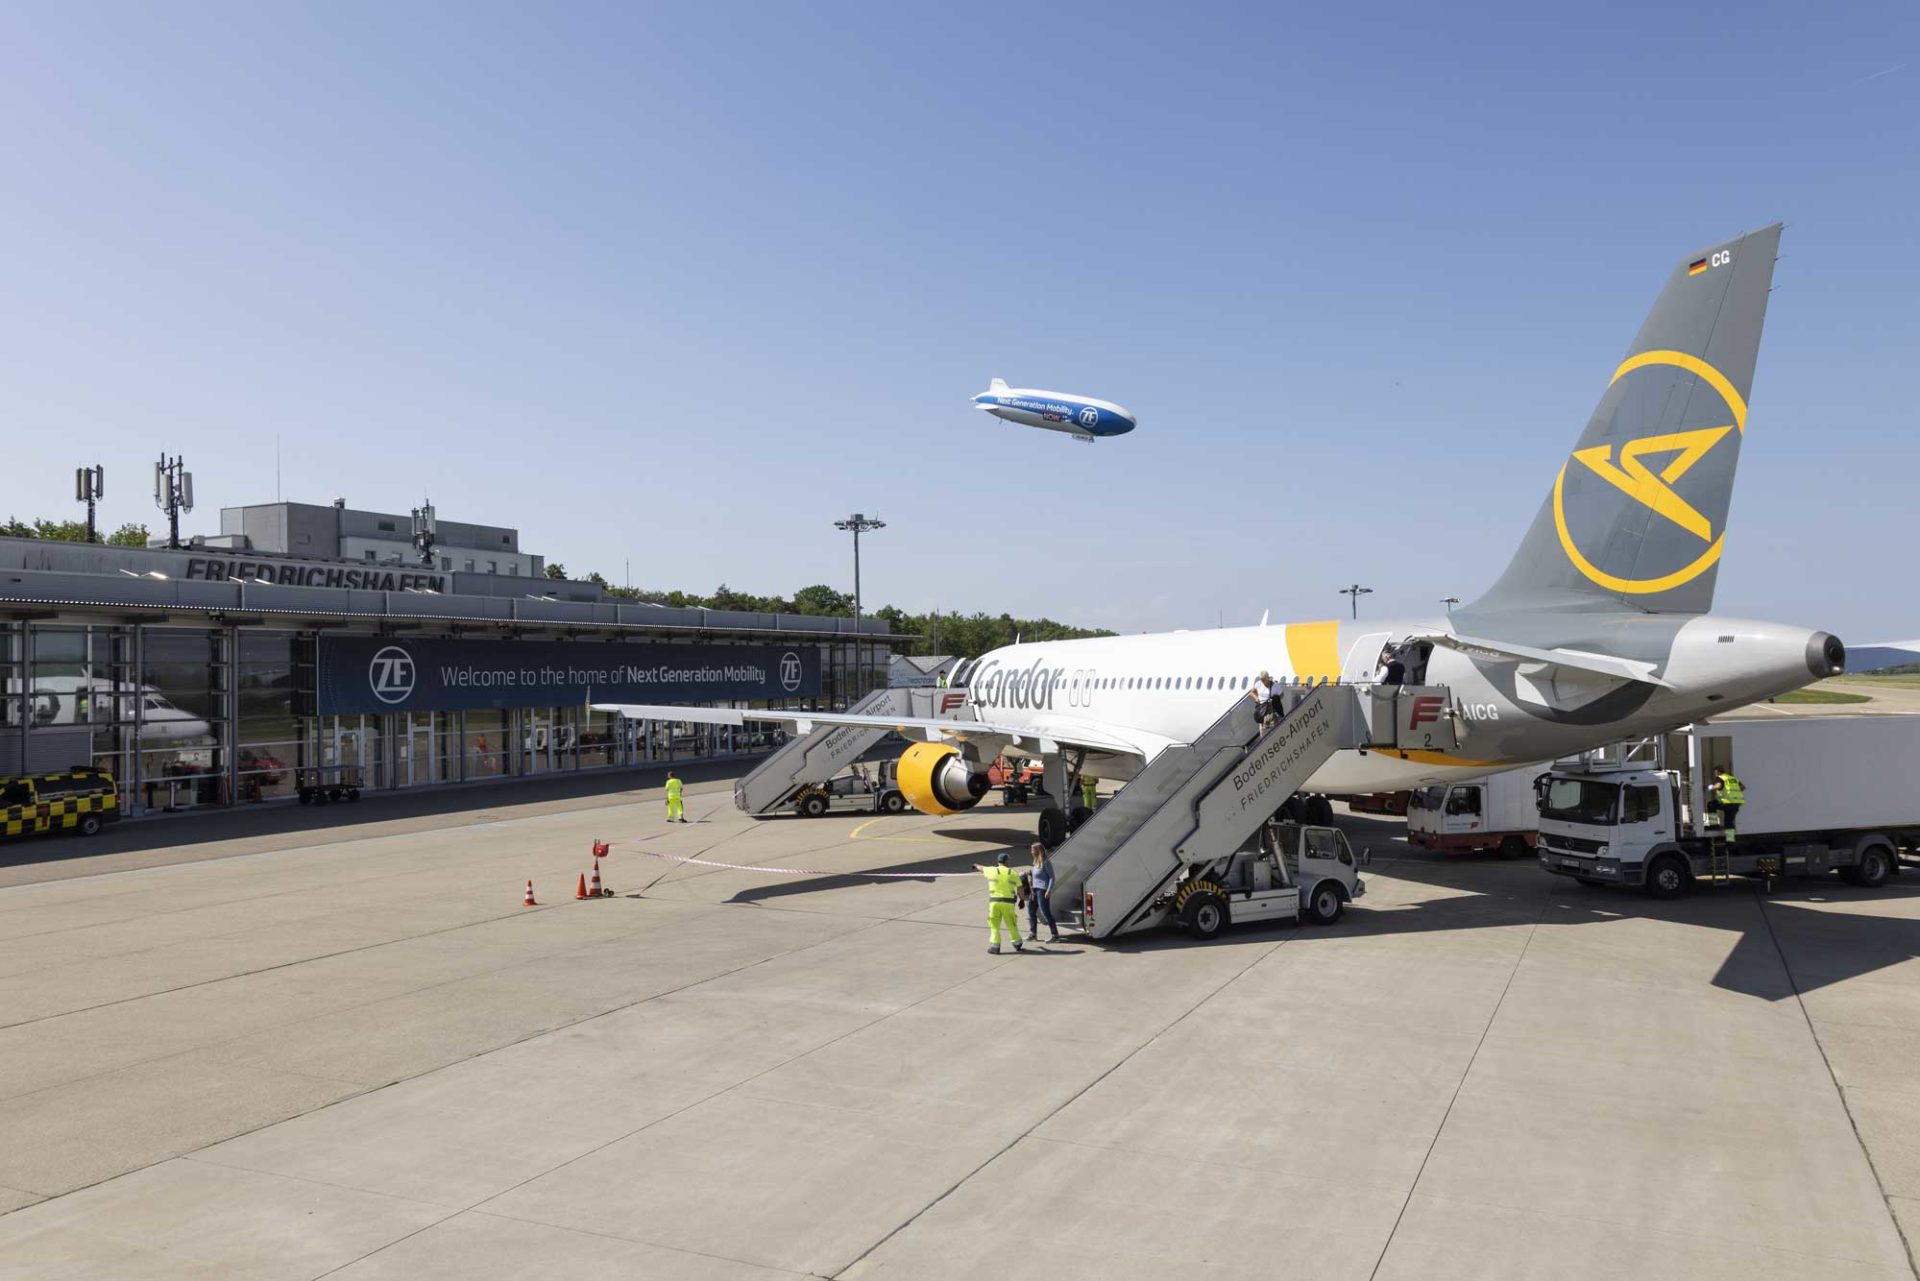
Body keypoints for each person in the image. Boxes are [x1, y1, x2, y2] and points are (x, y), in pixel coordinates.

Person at [973, 851, 1025, 954]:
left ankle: (995, 946)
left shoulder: (991, 870)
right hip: (1008, 903)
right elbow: (1020, 888)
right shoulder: (1012, 873)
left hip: (994, 903)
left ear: (998, 861)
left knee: (994, 924)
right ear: (1006, 861)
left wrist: (975, 865)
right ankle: (1017, 943)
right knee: (1011, 923)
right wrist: (1022, 899)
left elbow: (981, 868)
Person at [1026, 841, 1060, 942]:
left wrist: (1048, 890)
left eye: (1033, 849)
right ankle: (1033, 933)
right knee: (1031, 910)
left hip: (1042, 890)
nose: (1031, 851)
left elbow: (1052, 877)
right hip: (1034, 890)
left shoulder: (1046, 862)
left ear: (1038, 850)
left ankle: (1055, 935)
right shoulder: (1036, 862)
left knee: (1045, 912)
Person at [1709, 768, 1745, 842]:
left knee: (1711, 804)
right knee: (1729, 822)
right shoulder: (1733, 778)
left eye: (1715, 773)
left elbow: (1718, 786)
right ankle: (1730, 841)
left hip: (1727, 802)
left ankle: (1714, 825)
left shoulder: (1721, 777)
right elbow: (1743, 787)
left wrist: (1710, 787)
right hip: (1736, 804)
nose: (1714, 774)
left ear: (1718, 772)